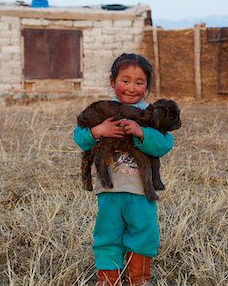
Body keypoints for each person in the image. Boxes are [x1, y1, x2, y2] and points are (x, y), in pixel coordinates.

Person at [73, 53, 174, 285]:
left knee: (144, 232)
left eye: (139, 82)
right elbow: (79, 136)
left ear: (147, 85)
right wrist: (97, 132)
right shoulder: (102, 112)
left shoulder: (151, 115)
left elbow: (165, 144)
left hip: (141, 192)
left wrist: (141, 133)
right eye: (125, 80)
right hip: (110, 192)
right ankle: (109, 279)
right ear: (112, 82)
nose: (132, 88)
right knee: (107, 234)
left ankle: (137, 278)